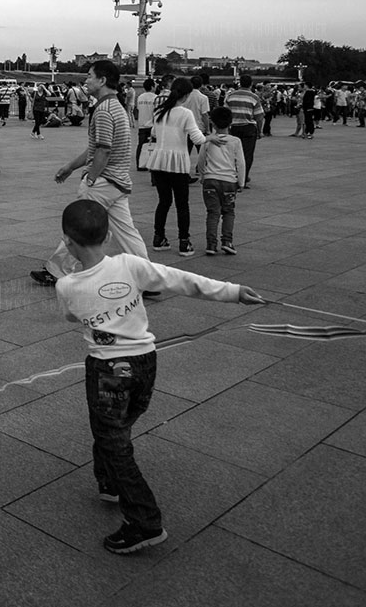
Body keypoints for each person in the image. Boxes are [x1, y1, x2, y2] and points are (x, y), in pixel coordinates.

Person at [54, 199, 264, 554]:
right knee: (115, 428)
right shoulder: (131, 264)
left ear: (68, 242)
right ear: (107, 236)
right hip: (145, 363)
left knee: (113, 439)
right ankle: (108, 480)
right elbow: (181, 280)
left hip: (109, 371)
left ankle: (144, 520)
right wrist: (232, 292)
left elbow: (72, 318)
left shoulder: (67, 286)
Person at [32, 60, 152, 286]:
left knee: (78, 227)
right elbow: (97, 146)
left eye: (89, 76)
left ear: (102, 80)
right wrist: (70, 166)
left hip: (104, 181)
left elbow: (103, 150)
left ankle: (57, 271)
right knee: (127, 233)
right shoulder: (116, 107)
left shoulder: (104, 110)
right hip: (117, 181)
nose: (86, 80)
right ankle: (147, 277)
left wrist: (92, 177)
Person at [142, 77, 207, 258]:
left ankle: (159, 237)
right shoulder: (185, 113)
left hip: (158, 161)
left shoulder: (160, 112)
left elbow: (154, 132)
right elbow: (198, 139)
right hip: (177, 162)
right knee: (182, 204)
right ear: (186, 95)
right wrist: (211, 139)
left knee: (164, 202)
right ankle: (184, 242)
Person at [197, 107, 246, 255]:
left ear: (213, 123)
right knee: (228, 212)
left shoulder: (208, 140)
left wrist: (202, 175)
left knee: (213, 213)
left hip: (210, 180)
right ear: (230, 123)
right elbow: (241, 163)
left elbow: (201, 159)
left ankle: (211, 245)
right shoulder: (235, 141)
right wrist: (241, 181)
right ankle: (227, 241)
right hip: (229, 181)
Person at [223, 75, 263, 188]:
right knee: (247, 154)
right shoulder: (254, 97)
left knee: (233, 154)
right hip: (248, 128)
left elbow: (225, 113)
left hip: (234, 128)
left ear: (240, 83)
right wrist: (260, 131)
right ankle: (243, 178)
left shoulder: (230, 96)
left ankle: (233, 176)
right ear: (251, 84)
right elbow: (259, 116)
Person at [131, 79, 157, 169]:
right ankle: (150, 164)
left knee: (141, 145)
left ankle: (139, 164)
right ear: (152, 87)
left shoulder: (140, 97)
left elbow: (138, 109)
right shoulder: (155, 97)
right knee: (152, 146)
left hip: (141, 124)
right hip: (151, 125)